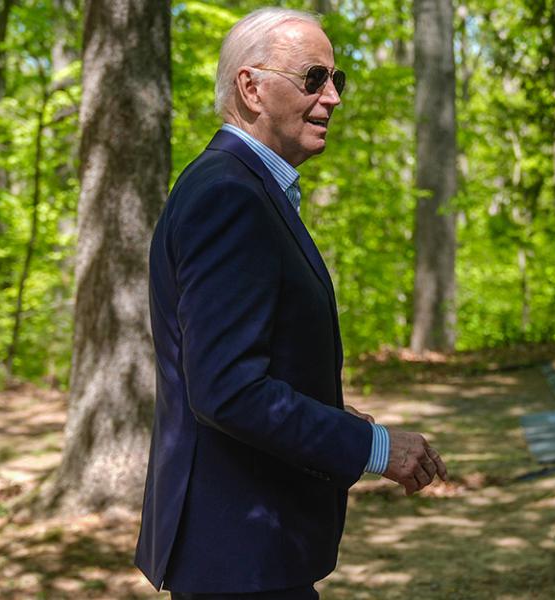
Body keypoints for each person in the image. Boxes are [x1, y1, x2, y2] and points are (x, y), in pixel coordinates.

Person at [135, 8, 448, 599]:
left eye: (337, 80)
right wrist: (376, 449)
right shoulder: (229, 194)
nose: (331, 97)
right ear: (251, 88)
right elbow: (226, 388)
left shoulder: (240, 188)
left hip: (254, 554)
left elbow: (249, 363)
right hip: (240, 558)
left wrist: (334, 418)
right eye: (313, 79)